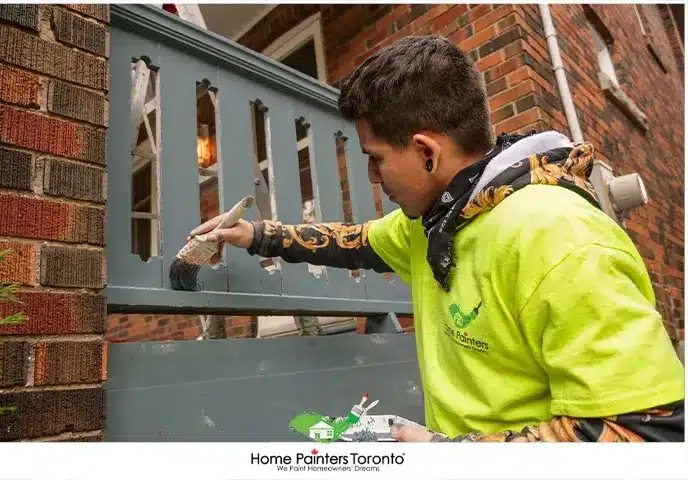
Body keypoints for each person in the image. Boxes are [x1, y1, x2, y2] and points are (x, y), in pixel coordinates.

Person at [188, 35, 685, 442]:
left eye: (376, 157)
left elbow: (647, 431)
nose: (373, 176)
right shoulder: (439, 221)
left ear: (426, 151)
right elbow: (353, 241)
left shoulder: (558, 237)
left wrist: (452, 456)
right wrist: (255, 234)